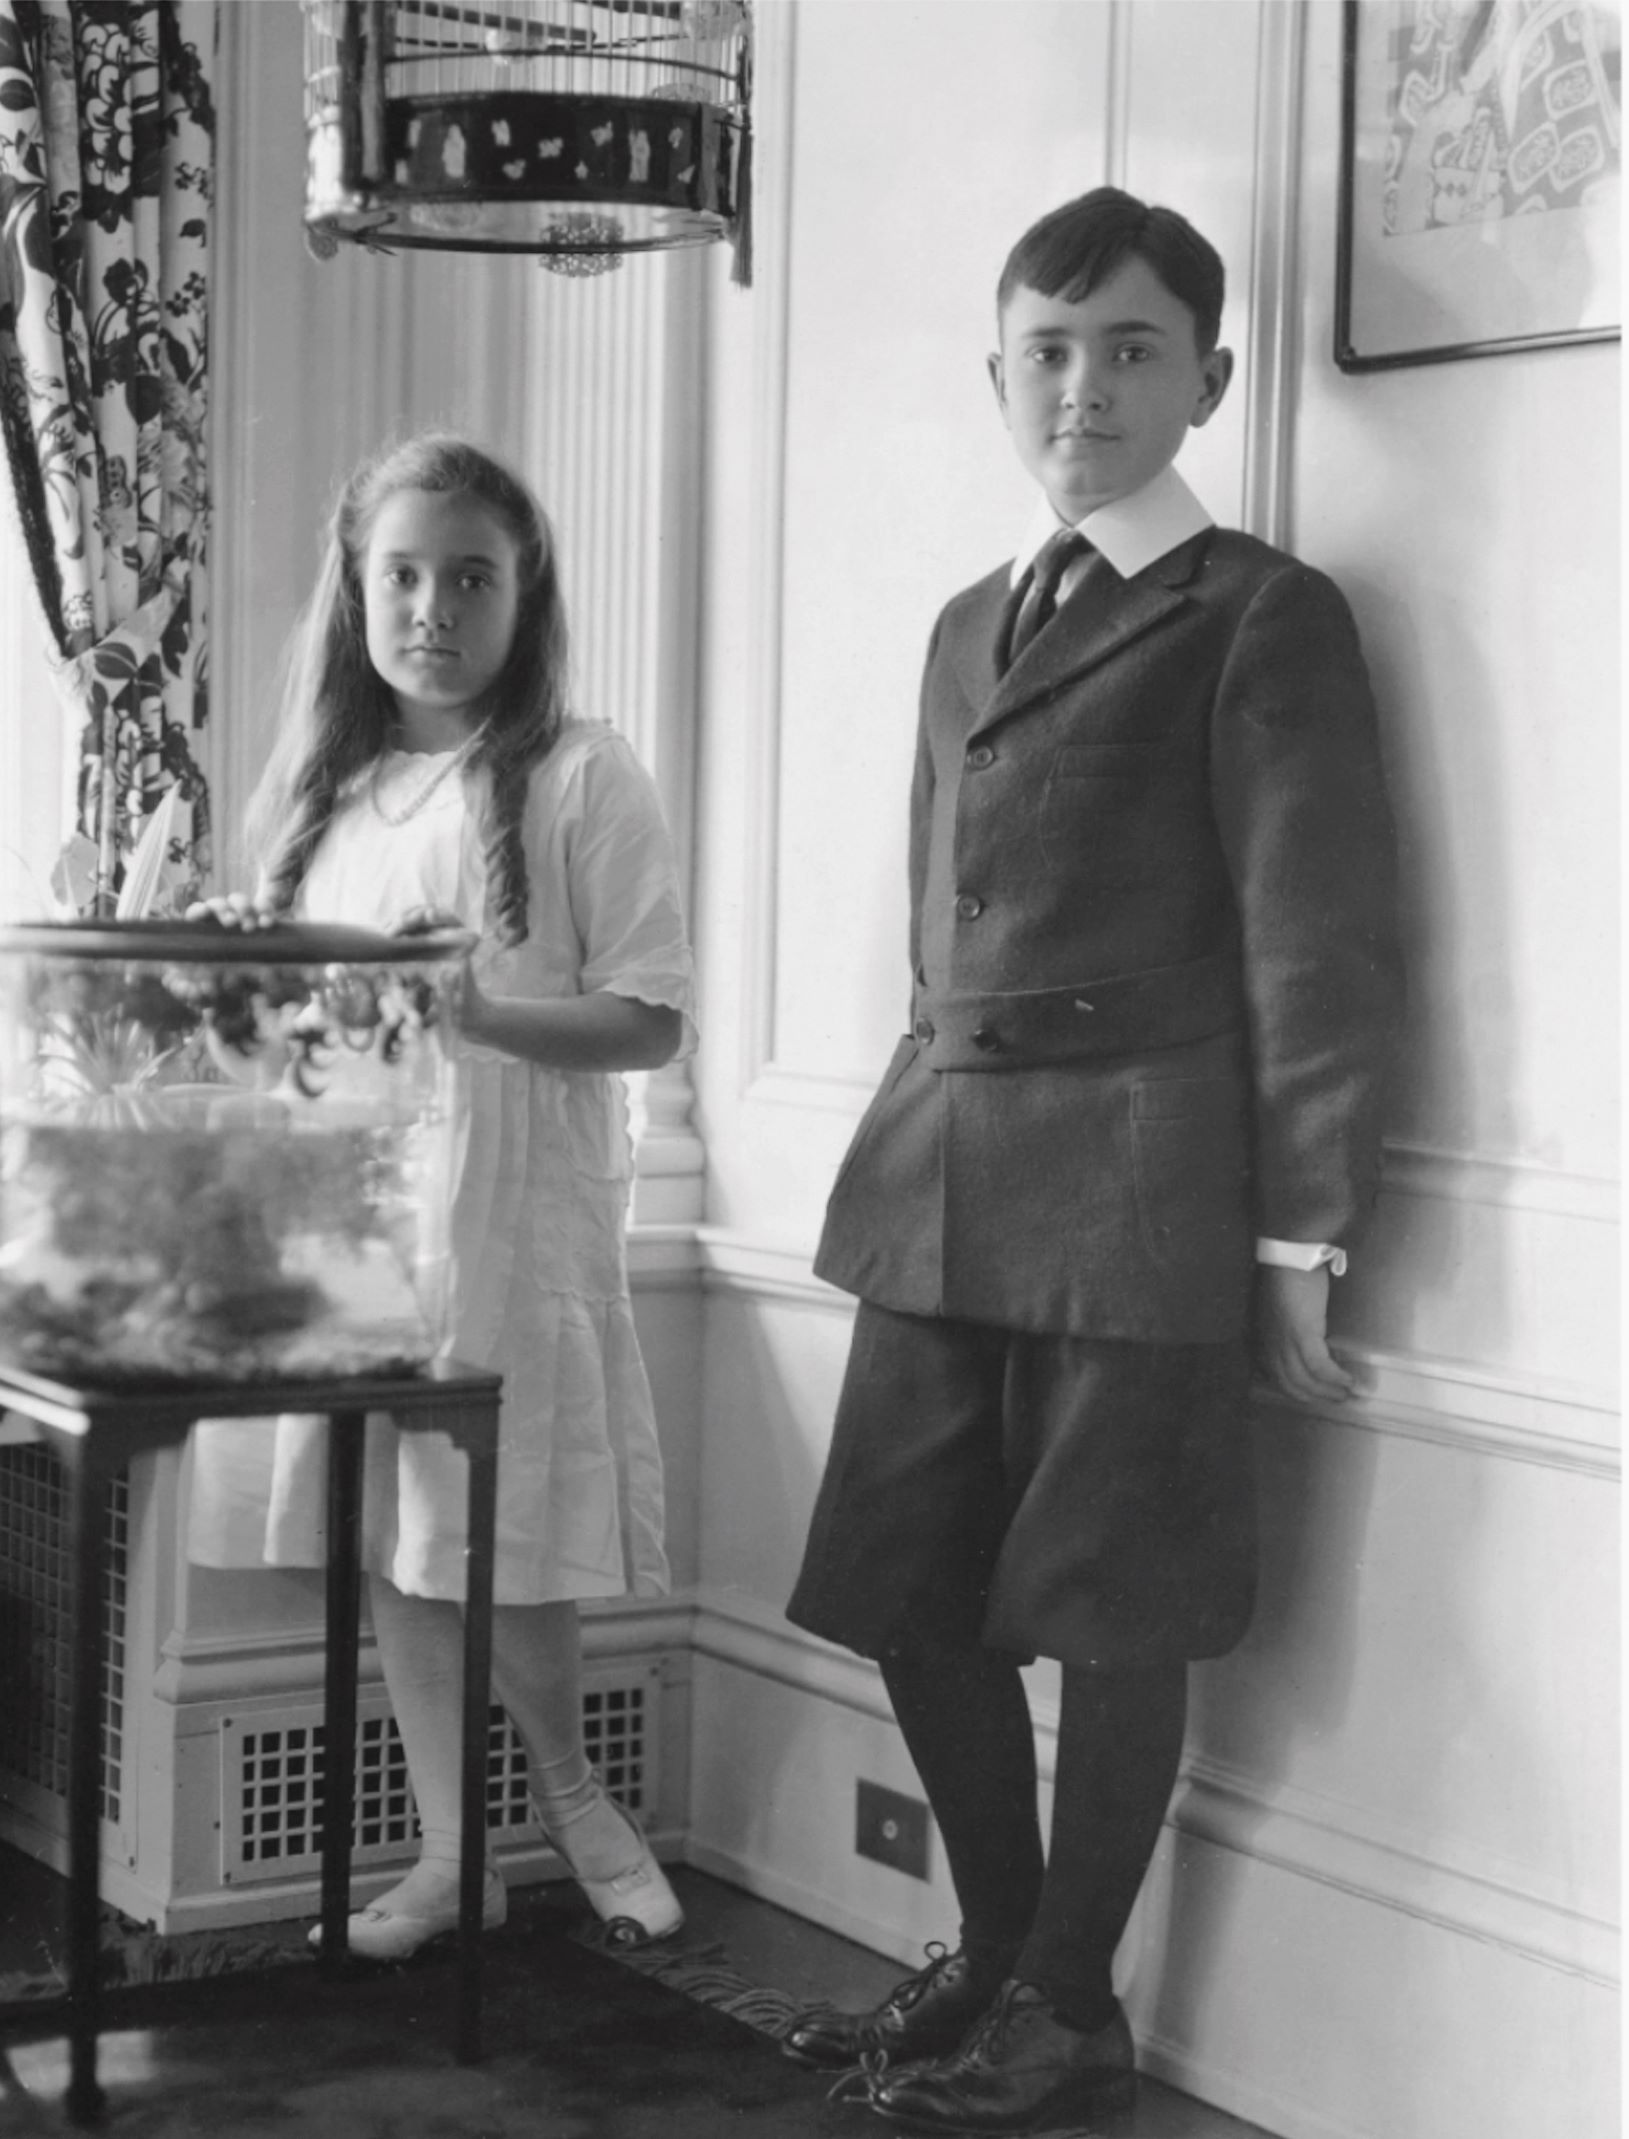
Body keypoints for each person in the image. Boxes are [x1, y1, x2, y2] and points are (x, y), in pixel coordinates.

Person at [779, 189, 1402, 2133]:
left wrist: (1299, 1237)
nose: (1084, 386)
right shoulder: (971, 619)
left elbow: (1313, 942)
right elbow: (927, 911)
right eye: (1046, 352)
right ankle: (990, 1946)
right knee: (903, 1583)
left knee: (1113, 1603)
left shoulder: (1256, 611)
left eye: (1130, 348)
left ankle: (1067, 2003)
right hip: (941, 1169)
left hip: (1142, 1191)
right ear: (994, 378)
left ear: (1205, 376)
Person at [185, 434, 694, 1962]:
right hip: (351, 1222)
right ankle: (448, 1852)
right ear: (356, 592)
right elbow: (292, 1043)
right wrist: (243, 977)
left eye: (468, 576)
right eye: (400, 575)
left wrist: (467, 1008)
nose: (430, 607)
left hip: (510, 1218)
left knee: (509, 1530)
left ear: (521, 594)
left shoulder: (579, 773)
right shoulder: (318, 789)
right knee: (397, 1539)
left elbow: (650, 1018)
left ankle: (573, 1801)